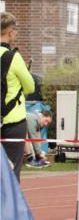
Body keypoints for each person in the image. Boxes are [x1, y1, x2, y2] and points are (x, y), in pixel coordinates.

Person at [1, 12, 35, 183]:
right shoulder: (14, 57)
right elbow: (30, 86)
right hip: (12, 121)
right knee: (12, 172)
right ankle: (9, 208)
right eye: (15, 31)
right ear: (10, 32)